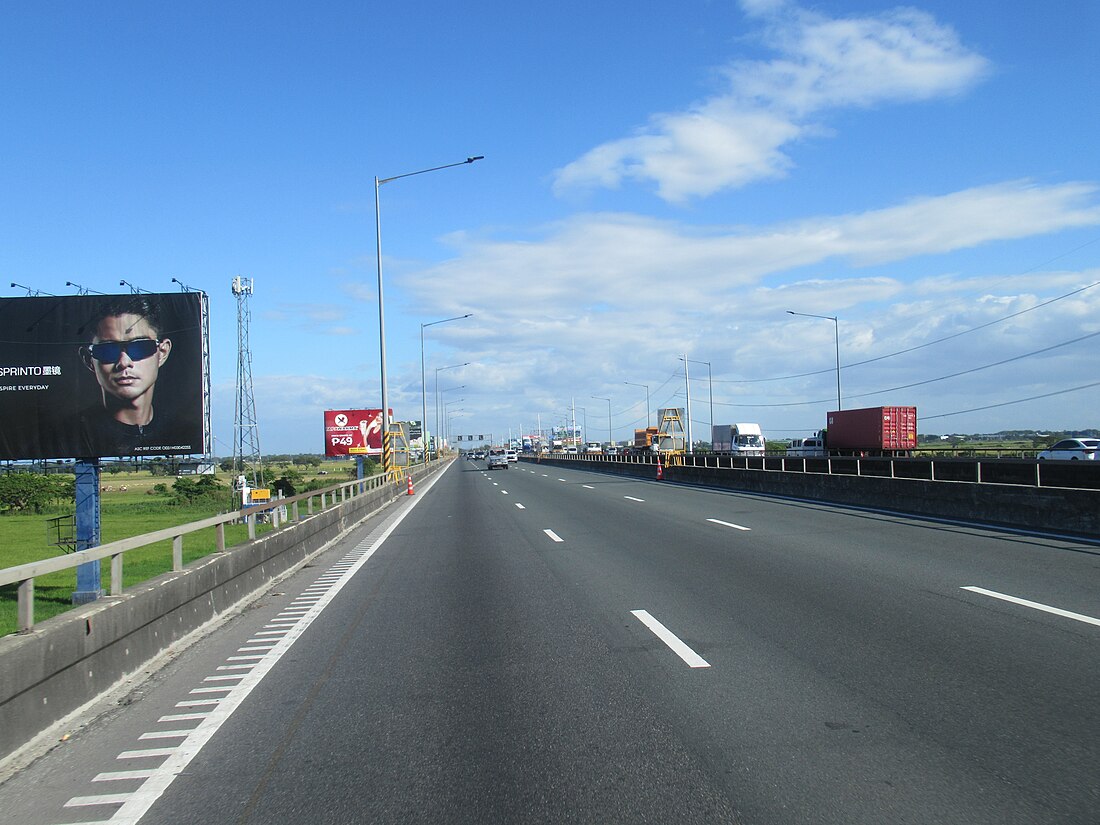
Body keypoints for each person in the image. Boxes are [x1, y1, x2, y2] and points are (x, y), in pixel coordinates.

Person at [78, 296, 175, 454]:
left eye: (140, 347)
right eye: (108, 350)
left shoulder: (185, 431)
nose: (124, 362)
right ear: (89, 359)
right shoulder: (62, 439)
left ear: (162, 352)